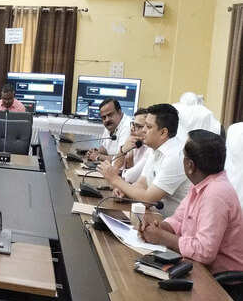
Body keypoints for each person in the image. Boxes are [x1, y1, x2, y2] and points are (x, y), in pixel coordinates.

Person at [139, 129, 243, 276]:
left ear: (190, 165)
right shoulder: (201, 184)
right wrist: (158, 227)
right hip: (196, 267)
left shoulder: (216, 193)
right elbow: (179, 220)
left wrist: (161, 237)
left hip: (219, 281)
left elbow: (204, 252)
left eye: (183, 155)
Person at [98, 103, 190, 216]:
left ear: (163, 132)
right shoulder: (155, 148)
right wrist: (124, 191)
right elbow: (142, 184)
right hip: (151, 216)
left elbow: (148, 200)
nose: (144, 130)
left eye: (149, 127)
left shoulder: (175, 156)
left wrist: (115, 179)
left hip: (168, 222)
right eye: (144, 125)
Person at [114, 107, 151, 184]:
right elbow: (115, 166)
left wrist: (129, 163)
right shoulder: (134, 141)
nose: (132, 129)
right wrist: (123, 150)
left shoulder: (150, 148)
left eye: (138, 126)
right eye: (133, 124)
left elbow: (130, 178)